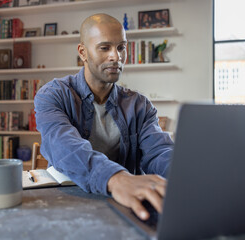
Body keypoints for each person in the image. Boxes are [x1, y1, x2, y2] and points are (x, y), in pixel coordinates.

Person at [34, 13, 173, 220]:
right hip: (65, 206)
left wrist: (185, 176)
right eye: (105, 47)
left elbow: (159, 152)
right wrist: (117, 179)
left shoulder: (140, 105)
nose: (116, 57)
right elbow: (63, 145)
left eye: (121, 47)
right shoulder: (53, 94)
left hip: (124, 206)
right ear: (83, 52)